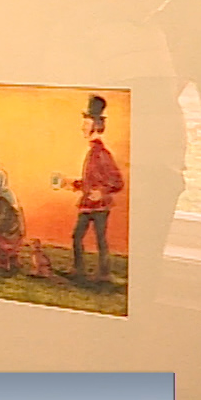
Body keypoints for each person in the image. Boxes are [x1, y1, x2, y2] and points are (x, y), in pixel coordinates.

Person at [56, 94, 124, 282]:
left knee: (100, 239)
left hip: (100, 206)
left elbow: (117, 182)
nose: (82, 128)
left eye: (86, 124)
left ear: (96, 126)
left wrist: (101, 192)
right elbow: (90, 182)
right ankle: (79, 270)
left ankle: (104, 274)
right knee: (77, 236)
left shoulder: (101, 154)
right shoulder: (92, 152)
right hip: (87, 204)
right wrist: (70, 183)